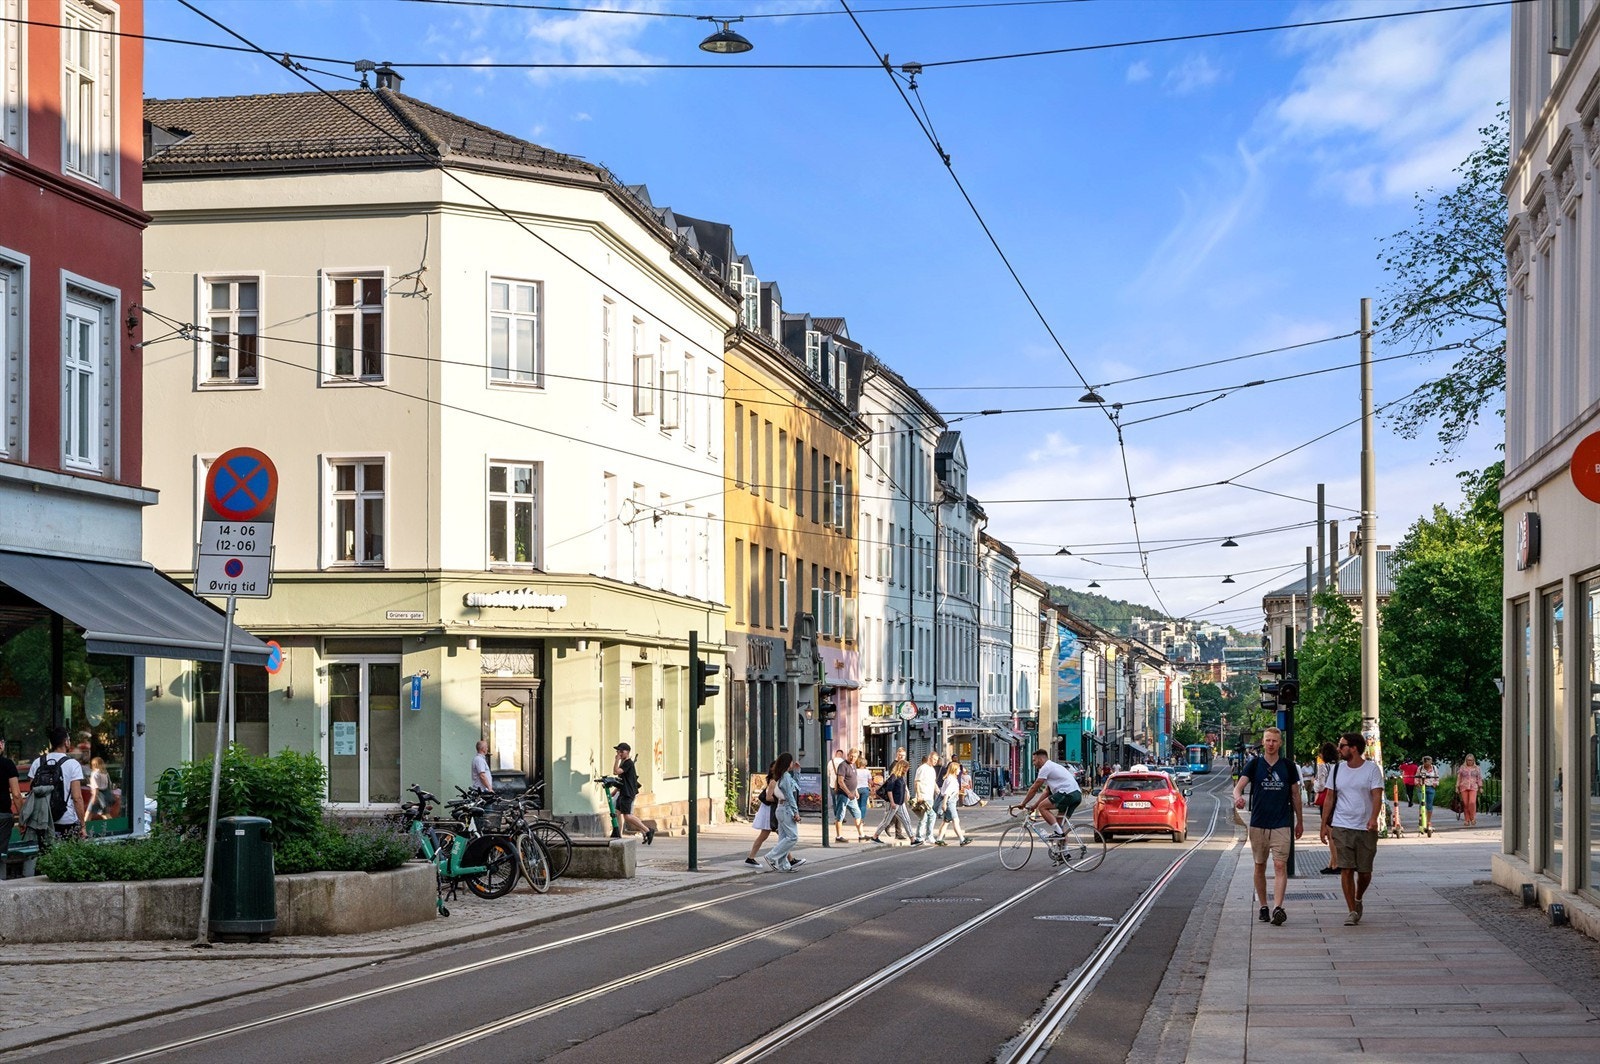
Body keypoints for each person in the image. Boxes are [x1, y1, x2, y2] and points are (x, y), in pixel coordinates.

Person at [1232, 727, 1304, 927]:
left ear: (1280, 743)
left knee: (1280, 865)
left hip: (1282, 824)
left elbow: (1296, 795)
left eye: (1274, 740)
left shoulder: (1288, 767)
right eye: (1268, 740)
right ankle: (1263, 905)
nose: (1271, 744)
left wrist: (1300, 821)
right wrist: (1238, 799)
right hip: (1258, 824)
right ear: (1263, 742)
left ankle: (1278, 907)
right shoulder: (1254, 765)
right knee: (1260, 865)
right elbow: (1238, 788)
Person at [1320, 732, 1384, 926]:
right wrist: (1324, 825)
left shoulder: (1372, 770)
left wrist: (1373, 818)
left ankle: (1358, 897)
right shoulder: (1337, 769)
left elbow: (1376, 796)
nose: (1339, 749)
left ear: (1354, 748)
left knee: (1364, 872)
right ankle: (1352, 911)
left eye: (1342, 746)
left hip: (1366, 827)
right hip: (1342, 826)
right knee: (1346, 869)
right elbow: (1330, 797)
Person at [28, 726, 87, 842]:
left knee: (46, 855)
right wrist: (83, 825)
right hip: (66, 819)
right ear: (66, 742)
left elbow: (32, 792)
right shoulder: (73, 764)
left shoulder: (37, 762)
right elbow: (77, 798)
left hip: (42, 819)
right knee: (68, 856)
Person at [1009, 749, 1082, 834]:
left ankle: (1059, 834)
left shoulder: (1046, 767)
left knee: (1042, 807)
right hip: (1076, 795)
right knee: (1059, 825)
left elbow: (1034, 788)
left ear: (1041, 759)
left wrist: (1023, 803)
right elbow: (1047, 792)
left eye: (1034, 760)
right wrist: (1034, 806)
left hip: (1067, 793)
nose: (1033, 763)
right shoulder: (1054, 766)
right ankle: (1064, 846)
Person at [764, 752, 804, 872]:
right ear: (788, 763)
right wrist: (796, 811)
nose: (792, 763)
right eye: (791, 761)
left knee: (784, 838)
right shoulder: (785, 777)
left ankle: (783, 865)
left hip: (782, 809)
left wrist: (797, 772)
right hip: (786, 809)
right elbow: (789, 795)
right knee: (793, 837)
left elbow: (795, 787)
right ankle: (771, 856)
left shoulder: (783, 776)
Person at [612, 743, 655, 845]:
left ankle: (648, 830)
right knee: (617, 812)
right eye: (618, 751)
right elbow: (622, 779)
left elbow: (616, 772)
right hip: (623, 792)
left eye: (621, 751)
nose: (619, 753)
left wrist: (616, 759)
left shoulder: (628, 763)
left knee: (627, 816)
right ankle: (616, 832)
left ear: (627, 752)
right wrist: (615, 790)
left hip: (628, 793)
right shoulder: (624, 763)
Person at [1313, 741, 1341, 875]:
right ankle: (1331, 863)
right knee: (1333, 832)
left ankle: (1336, 864)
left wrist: (1315, 784)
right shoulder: (1340, 766)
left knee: (1330, 834)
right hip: (1338, 799)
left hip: (1326, 800)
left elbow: (1321, 785)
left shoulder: (1323, 767)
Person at [869, 761, 914, 844]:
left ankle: (913, 839)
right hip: (893, 803)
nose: (907, 769)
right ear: (901, 767)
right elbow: (889, 790)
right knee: (886, 821)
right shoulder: (893, 777)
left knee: (907, 820)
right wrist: (892, 802)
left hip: (900, 803)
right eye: (906, 767)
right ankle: (875, 836)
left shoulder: (901, 777)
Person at [747, 761, 780, 866]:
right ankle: (750, 858)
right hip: (769, 811)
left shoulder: (774, 780)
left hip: (769, 810)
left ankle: (750, 858)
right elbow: (768, 797)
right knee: (781, 836)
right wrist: (780, 800)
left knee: (780, 836)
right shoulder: (773, 781)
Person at [934, 760, 971, 846]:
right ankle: (962, 839)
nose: (959, 771)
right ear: (954, 770)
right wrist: (944, 804)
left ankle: (939, 839)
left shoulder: (951, 778)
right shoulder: (951, 779)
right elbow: (947, 792)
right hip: (950, 802)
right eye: (958, 769)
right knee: (956, 820)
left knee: (946, 821)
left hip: (951, 801)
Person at [834, 749, 864, 842]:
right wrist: (848, 793)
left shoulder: (853, 765)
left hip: (852, 795)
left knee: (857, 813)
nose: (852, 758)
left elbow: (853, 779)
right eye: (851, 756)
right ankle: (839, 836)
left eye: (855, 757)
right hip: (843, 794)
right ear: (848, 755)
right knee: (840, 814)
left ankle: (861, 835)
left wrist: (856, 791)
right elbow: (840, 781)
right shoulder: (843, 765)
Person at [0, 735, 19, 880]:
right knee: (1, 854)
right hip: (3, 816)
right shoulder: (7, 764)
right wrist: (23, 817)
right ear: (1, 745)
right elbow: (16, 794)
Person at [912, 753, 940, 845]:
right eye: (934, 759)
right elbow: (917, 782)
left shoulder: (932, 769)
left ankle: (923, 837)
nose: (935, 762)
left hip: (930, 796)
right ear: (929, 758)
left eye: (936, 760)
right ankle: (923, 836)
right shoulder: (922, 768)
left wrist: (938, 792)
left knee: (927, 817)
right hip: (923, 797)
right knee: (928, 816)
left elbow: (933, 782)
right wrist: (919, 795)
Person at [1457, 754, 1483, 827]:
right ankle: (1466, 819)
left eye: (1471, 760)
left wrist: (1480, 787)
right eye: (1468, 760)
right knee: (1465, 804)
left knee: (1472, 802)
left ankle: (1472, 817)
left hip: (1473, 787)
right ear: (1466, 760)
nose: (1469, 761)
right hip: (1463, 787)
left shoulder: (1477, 768)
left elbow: (1479, 778)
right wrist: (1457, 787)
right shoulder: (1462, 768)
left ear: (1473, 760)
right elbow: (1459, 777)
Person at [85, 757, 113, 823]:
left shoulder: (94, 774)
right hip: (103, 796)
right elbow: (109, 785)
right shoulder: (105, 773)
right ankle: (113, 826)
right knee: (104, 814)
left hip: (97, 796)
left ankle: (84, 829)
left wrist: (94, 799)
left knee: (88, 813)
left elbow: (96, 788)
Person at [1417, 756, 1440, 826]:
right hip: (1422, 787)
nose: (1427, 765)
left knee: (1429, 805)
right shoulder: (1420, 768)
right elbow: (1416, 776)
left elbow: (1437, 777)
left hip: (1431, 787)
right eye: (1426, 763)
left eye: (1429, 763)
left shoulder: (1434, 768)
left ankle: (1428, 821)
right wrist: (1417, 783)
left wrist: (1435, 784)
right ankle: (1421, 818)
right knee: (1422, 803)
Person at [854, 751, 873, 836]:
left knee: (857, 805)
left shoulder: (856, 771)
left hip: (857, 789)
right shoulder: (867, 771)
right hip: (865, 788)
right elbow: (870, 781)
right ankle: (861, 819)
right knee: (863, 805)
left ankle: (858, 818)